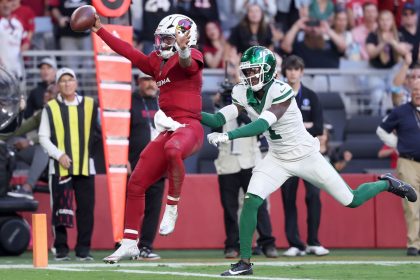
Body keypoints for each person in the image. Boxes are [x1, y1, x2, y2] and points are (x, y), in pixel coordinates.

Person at [201, 46, 417, 276]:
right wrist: (186, 112)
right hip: (277, 157)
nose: (250, 75)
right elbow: (216, 118)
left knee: (351, 200)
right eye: (248, 71)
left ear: (269, 70)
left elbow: (262, 124)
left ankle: (387, 183)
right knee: (252, 200)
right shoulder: (242, 91)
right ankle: (244, 262)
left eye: (255, 70)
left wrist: (228, 135)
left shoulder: (281, 90)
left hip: (306, 155)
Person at [92, 14, 205, 263]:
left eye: (168, 39)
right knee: (136, 182)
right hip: (168, 129)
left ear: (185, 38)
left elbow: (187, 64)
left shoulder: (193, 54)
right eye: (161, 39)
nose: (162, 44)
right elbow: (130, 53)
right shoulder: (156, 61)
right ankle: (130, 242)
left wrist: (184, 49)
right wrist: (99, 30)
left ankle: (172, 207)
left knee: (174, 150)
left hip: (189, 127)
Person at [39, 67, 98, 261]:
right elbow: (43, 137)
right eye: (62, 81)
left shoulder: (91, 104)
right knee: (60, 208)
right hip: (59, 167)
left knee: (86, 209)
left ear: (76, 83)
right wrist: (59, 155)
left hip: (85, 165)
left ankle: (83, 250)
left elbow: (99, 133)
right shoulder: (51, 107)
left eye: (69, 80)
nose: (66, 84)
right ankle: (61, 248)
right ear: (57, 86)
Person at [211, 93, 277, 259]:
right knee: (230, 208)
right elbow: (215, 129)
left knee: (258, 204)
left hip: (251, 163)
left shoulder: (253, 112)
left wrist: (240, 110)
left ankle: (267, 243)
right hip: (227, 165)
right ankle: (232, 246)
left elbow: (257, 127)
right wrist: (221, 107)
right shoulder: (222, 114)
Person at [279, 55, 328, 257]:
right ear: (285, 72)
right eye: (289, 69)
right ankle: (295, 244)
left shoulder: (311, 96)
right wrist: (304, 126)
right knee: (288, 198)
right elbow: (276, 124)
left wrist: (298, 127)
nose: (292, 72)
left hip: (309, 154)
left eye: (296, 69)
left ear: (302, 72)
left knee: (313, 196)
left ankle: (313, 242)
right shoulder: (278, 95)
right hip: (287, 153)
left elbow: (318, 127)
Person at [376, 79, 420, 256]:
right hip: (408, 162)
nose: (418, 92)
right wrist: (397, 144)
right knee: (411, 204)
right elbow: (381, 130)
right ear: (410, 90)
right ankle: (413, 244)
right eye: (416, 89)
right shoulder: (401, 111)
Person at [128, 72, 164, 260]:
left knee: (153, 209)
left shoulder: (164, 102)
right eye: (146, 80)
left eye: (153, 80)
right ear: (138, 82)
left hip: (158, 165)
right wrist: (123, 160)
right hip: (134, 164)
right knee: (131, 208)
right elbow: (120, 132)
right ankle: (126, 244)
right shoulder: (129, 102)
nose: (150, 84)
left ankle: (146, 247)